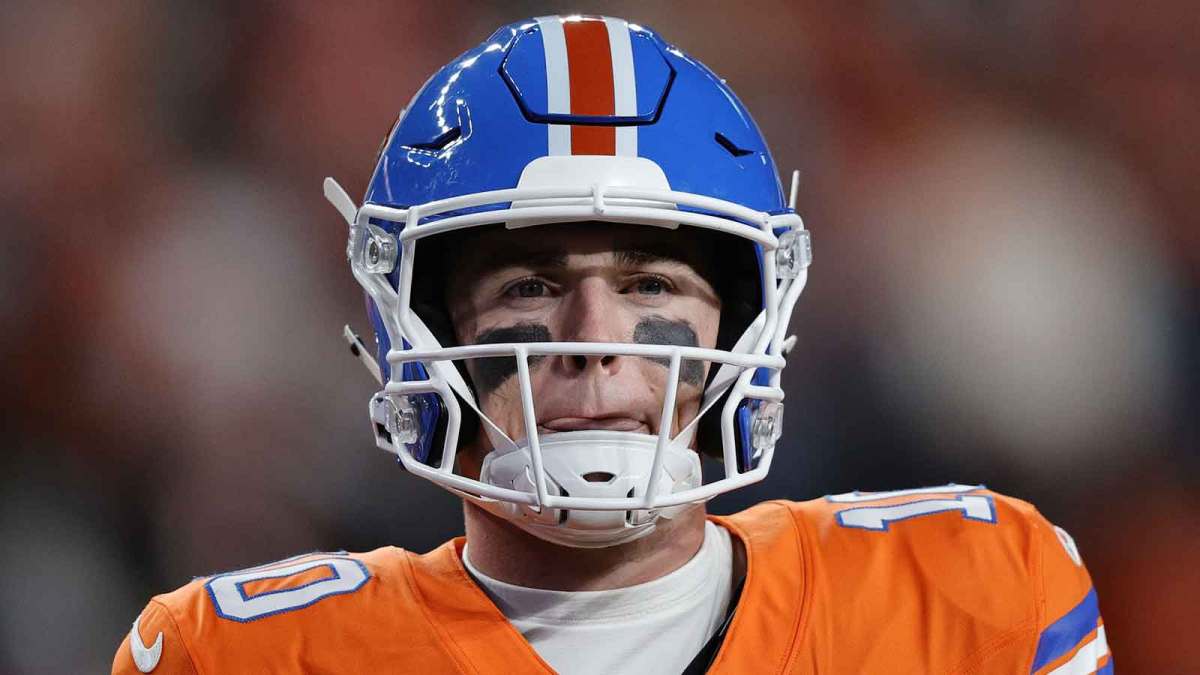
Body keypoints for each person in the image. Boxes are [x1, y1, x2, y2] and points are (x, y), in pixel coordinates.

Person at [114, 15, 1110, 675]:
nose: (594, 340)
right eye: (530, 286)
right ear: (418, 326)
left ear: (747, 321)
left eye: (649, 284)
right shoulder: (241, 657)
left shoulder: (972, 598)